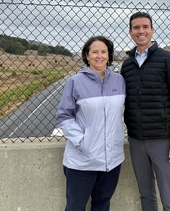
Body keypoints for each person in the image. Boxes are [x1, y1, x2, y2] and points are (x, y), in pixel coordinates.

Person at [121, 12, 170, 211]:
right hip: (136, 140)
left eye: (145, 27)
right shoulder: (127, 65)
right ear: (130, 32)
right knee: (146, 195)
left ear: (152, 30)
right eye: (136, 28)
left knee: (169, 199)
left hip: (164, 141)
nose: (141, 31)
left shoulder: (168, 60)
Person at [56, 35, 126, 211]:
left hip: (112, 160)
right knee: (75, 207)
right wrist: (82, 142)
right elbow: (64, 116)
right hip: (82, 161)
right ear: (87, 55)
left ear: (109, 55)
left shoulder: (119, 81)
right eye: (94, 52)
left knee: (102, 205)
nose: (99, 56)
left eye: (104, 52)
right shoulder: (75, 82)